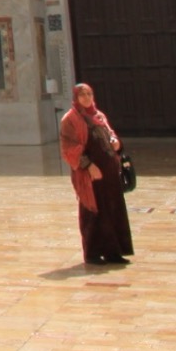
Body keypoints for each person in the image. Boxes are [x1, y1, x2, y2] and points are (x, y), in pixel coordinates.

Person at [59, 82, 133, 265]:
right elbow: (69, 148)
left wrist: (116, 141)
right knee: (93, 210)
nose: (86, 98)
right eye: (82, 95)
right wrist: (89, 166)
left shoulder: (98, 115)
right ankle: (92, 253)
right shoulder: (70, 119)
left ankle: (113, 252)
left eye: (89, 94)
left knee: (112, 208)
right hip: (90, 174)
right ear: (76, 98)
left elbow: (109, 134)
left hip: (109, 172)